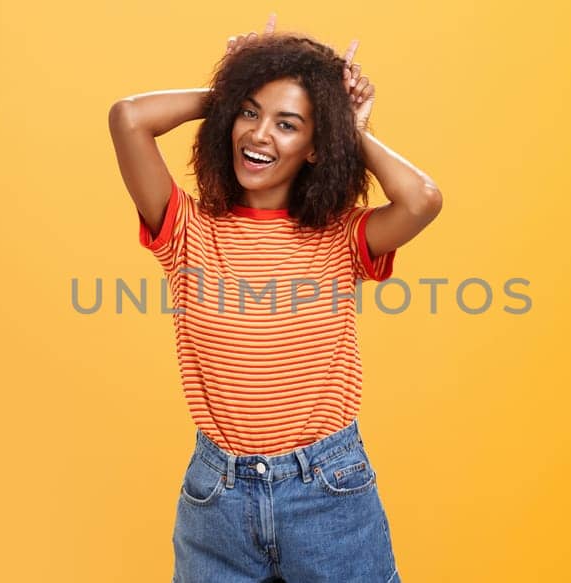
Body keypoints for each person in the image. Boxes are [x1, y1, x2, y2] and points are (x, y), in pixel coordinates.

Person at [107, 13, 440, 582]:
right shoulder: (187, 229)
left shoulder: (341, 236)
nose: (260, 135)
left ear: (315, 147)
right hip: (218, 499)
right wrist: (233, 88)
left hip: (329, 491)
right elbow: (129, 118)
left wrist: (349, 128)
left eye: (288, 125)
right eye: (249, 113)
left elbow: (421, 200)